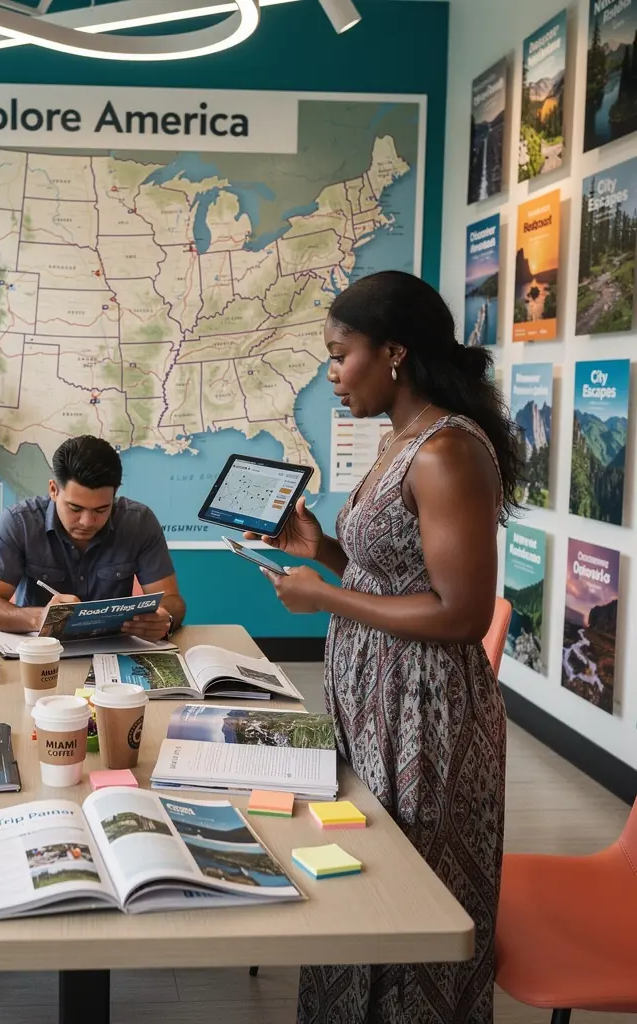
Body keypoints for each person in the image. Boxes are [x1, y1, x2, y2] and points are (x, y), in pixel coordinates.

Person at [252, 271, 516, 1024]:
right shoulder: (401, 438)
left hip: (422, 717)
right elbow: (398, 575)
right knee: (362, 879)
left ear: (394, 351)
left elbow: (462, 614)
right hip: (374, 697)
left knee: (407, 897)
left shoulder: (446, 451)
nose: (331, 374)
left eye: (341, 355)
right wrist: (325, 552)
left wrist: (325, 595)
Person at [0, 435, 185, 639]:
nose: (87, 521)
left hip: (115, 652)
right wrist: (39, 618)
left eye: (101, 510)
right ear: (54, 490)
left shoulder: (139, 522)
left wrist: (165, 618)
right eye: (75, 508)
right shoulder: (18, 523)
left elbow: (172, 601)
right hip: (43, 653)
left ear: (115, 493)